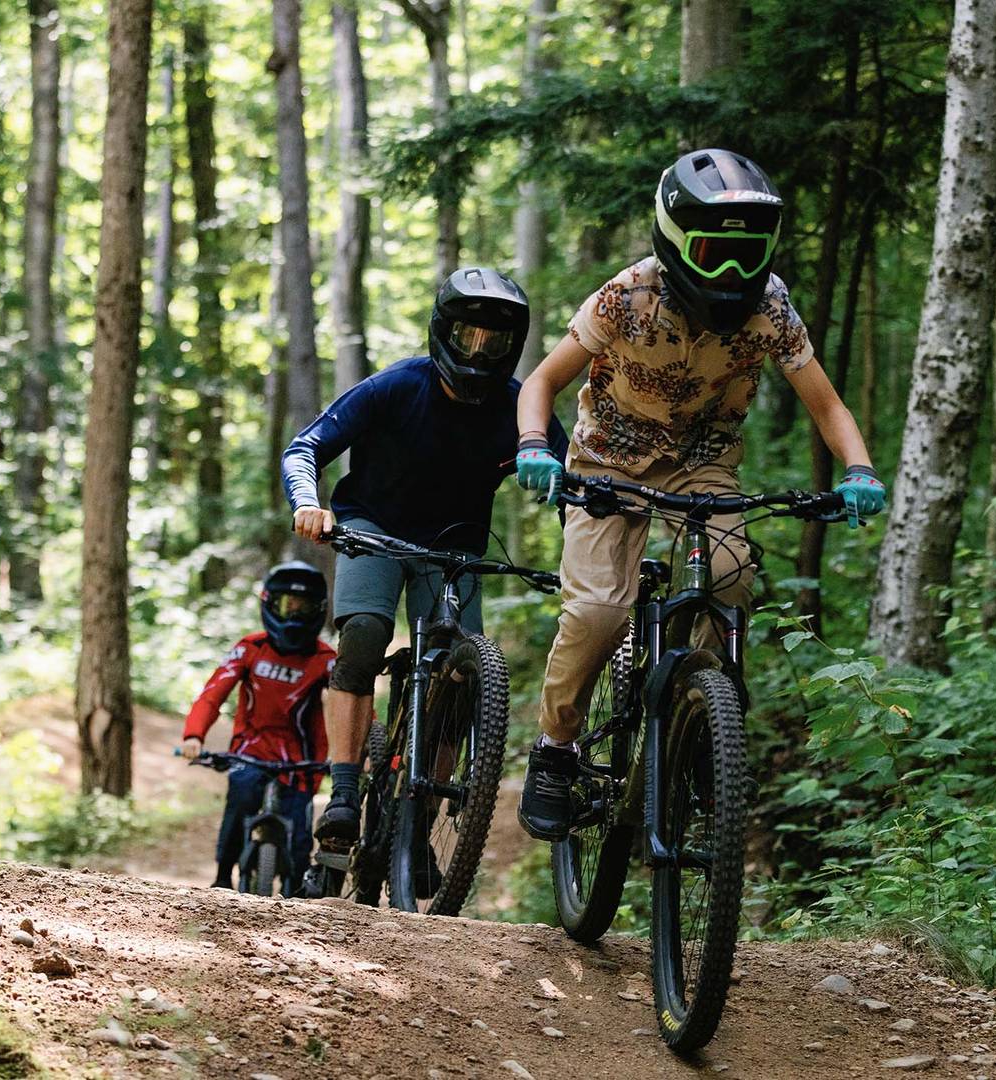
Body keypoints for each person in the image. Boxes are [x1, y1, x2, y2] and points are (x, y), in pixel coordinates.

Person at [512, 148, 887, 841]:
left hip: (702, 465)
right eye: (716, 252)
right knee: (597, 614)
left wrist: (860, 470)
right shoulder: (624, 296)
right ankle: (556, 748)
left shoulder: (770, 306)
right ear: (677, 239)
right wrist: (534, 445)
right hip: (607, 464)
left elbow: (827, 404)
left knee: (731, 575)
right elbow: (541, 382)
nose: (734, 272)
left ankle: (703, 725)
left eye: (750, 254)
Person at [282, 266, 568, 857]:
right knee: (362, 634)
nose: (481, 350)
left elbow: (574, 488)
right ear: (443, 331)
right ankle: (342, 794)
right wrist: (309, 504)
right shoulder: (396, 386)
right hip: (373, 529)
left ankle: (420, 822)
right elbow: (306, 447)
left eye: (496, 341)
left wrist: (585, 556)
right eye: (468, 336)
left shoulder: (521, 408)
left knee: (461, 678)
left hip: (456, 549)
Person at [180, 561, 334, 893]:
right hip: (250, 751)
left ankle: (295, 896)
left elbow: (355, 706)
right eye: (285, 605)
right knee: (241, 797)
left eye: (303, 607)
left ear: (318, 610)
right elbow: (212, 694)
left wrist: (363, 753)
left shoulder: (326, 658)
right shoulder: (250, 648)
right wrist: (194, 735)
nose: (293, 615)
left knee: (300, 838)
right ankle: (223, 875)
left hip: (303, 761)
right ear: (269, 604)